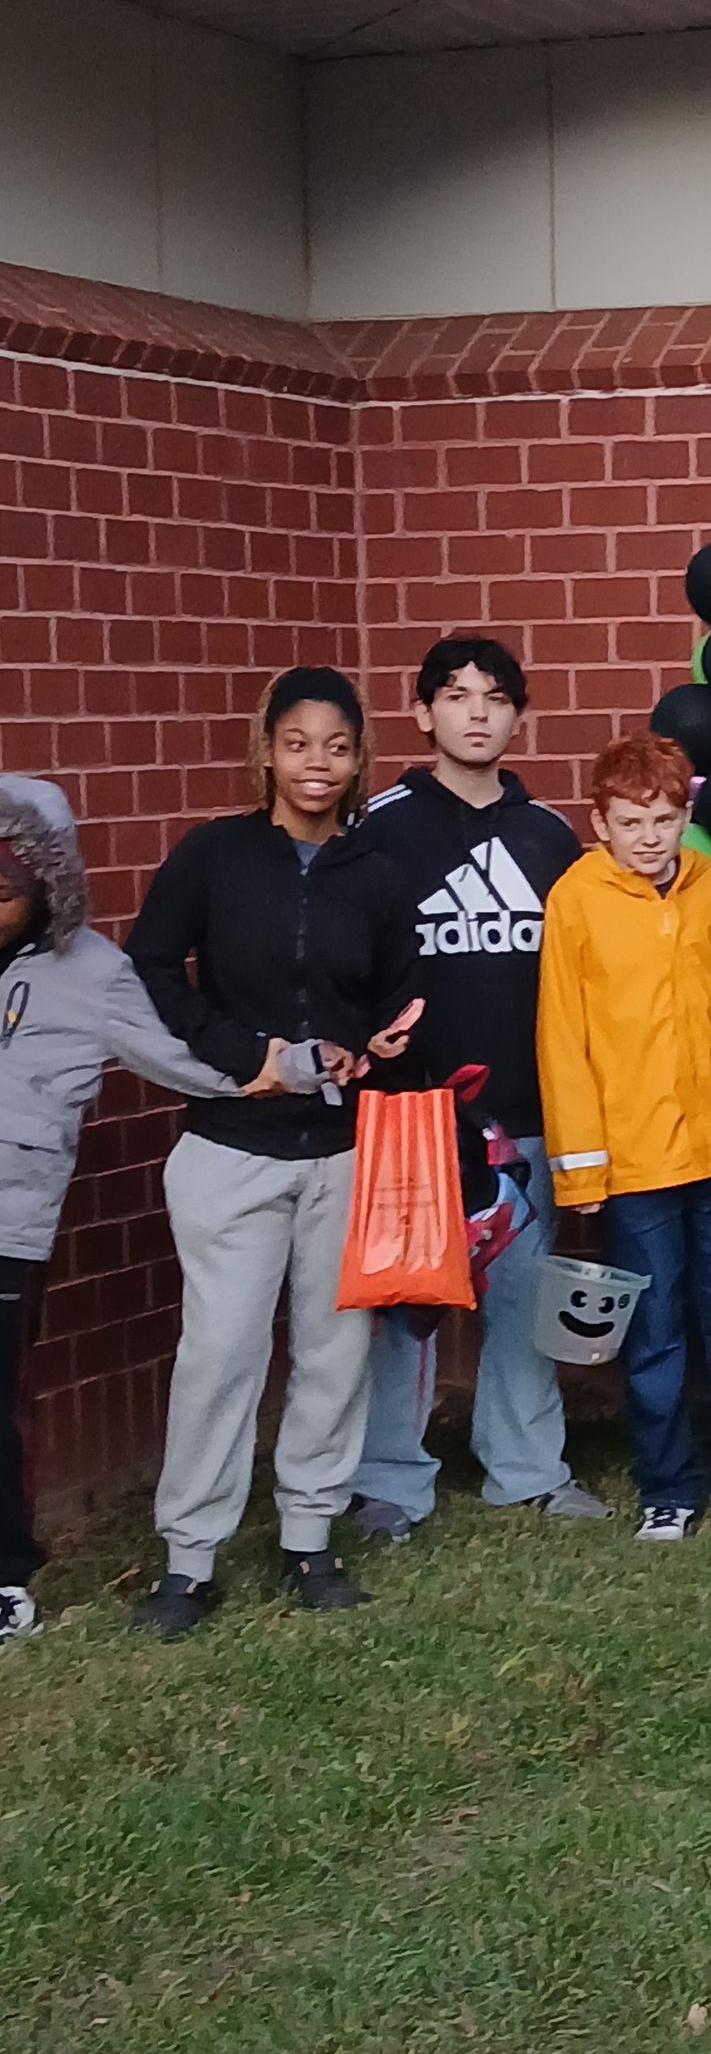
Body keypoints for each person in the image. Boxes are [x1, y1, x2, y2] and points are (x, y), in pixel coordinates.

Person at [126, 669, 419, 1636]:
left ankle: (309, 1536)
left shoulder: (374, 872)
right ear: (266, 750)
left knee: (335, 1353)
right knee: (219, 1352)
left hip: (340, 1149)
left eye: (336, 747)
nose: (316, 765)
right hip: (230, 1148)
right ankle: (190, 1559)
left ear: (358, 756)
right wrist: (239, 1057)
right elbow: (153, 966)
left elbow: (390, 994)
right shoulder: (214, 855)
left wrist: (379, 1040)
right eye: (298, 744)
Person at [0, 778, 281, 1646]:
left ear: (48, 883)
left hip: (10, 1219)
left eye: (5, 890)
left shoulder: (90, 973)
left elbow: (173, 1050)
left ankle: (7, 1575)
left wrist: (268, 1073)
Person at [346, 637, 606, 1540]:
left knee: (525, 1304)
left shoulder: (548, 838)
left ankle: (528, 1469)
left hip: (529, 1110)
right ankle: (389, 1481)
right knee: (404, 1309)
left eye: (495, 698)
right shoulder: (380, 828)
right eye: (455, 696)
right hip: (414, 1118)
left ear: (518, 717)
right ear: (423, 714)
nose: (476, 713)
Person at [538, 734, 711, 1543]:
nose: (650, 836)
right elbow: (563, 1038)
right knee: (654, 1330)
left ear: (684, 817)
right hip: (631, 1161)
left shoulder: (710, 887)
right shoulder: (575, 900)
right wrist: (585, 1170)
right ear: (600, 824)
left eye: (664, 818)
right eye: (631, 821)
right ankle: (666, 1488)